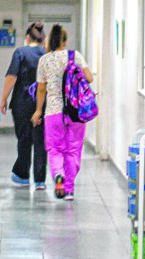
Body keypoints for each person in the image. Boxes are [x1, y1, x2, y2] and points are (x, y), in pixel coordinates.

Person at [31, 24, 93, 201]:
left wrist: (38, 111)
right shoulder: (75, 56)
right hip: (75, 112)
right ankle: (69, 190)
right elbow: (89, 78)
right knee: (73, 150)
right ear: (64, 41)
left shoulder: (44, 60)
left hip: (53, 112)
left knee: (55, 149)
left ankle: (58, 175)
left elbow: (41, 89)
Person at [0, 22, 47, 190]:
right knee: (40, 141)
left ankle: (23, 176)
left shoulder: (20, 52)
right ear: (43, 39)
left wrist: (4, 98)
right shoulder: (46, 54)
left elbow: (11, 77)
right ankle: (40, 180)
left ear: (27, 37)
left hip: (22, 103)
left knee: (24, 139)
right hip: (42, 104)